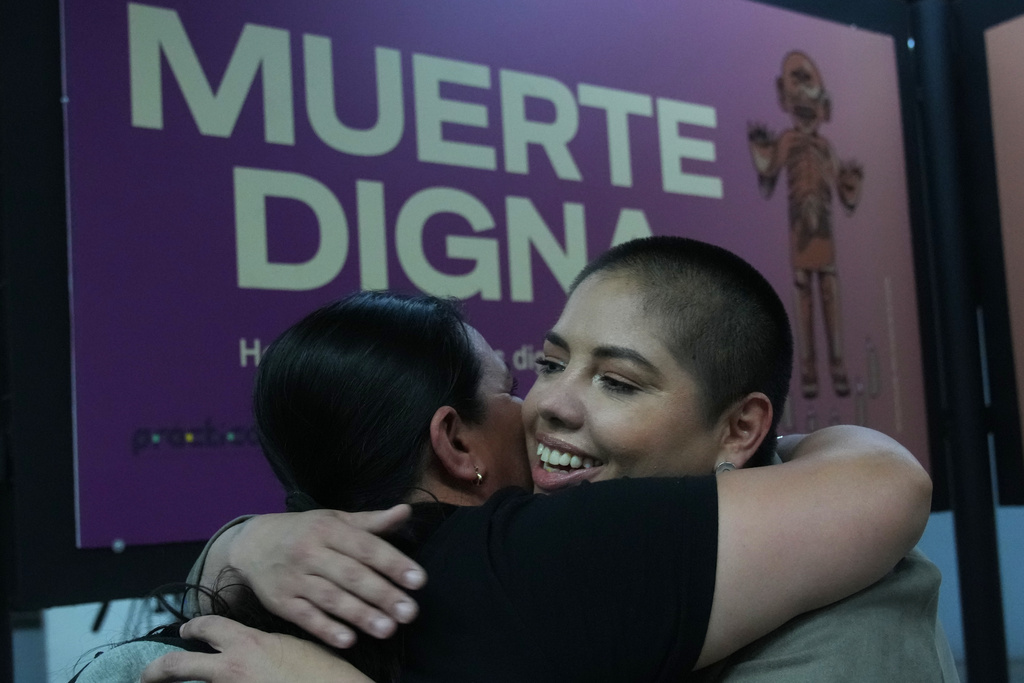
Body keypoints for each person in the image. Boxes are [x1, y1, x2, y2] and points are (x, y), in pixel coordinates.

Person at [141, 238, 932, 682]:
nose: (549, 403)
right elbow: (882, 483)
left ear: (739, 428)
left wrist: (238, 542)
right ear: (452, 441)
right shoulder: (552, 556)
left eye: (618, 380)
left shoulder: (280, 581)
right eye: (547, 365)